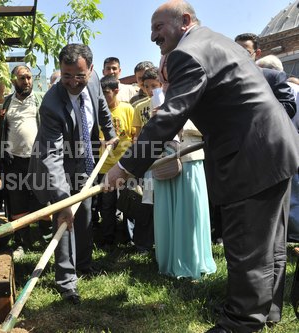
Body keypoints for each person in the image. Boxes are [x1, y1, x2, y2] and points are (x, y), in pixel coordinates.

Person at [105, 1, 299, 332]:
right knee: (270, 244)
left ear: (184, 21)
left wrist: (125, 167)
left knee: (247, 248)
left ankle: (239, 322)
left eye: (158, 28)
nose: (153, 37)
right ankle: (268, 312)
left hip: (251, 158)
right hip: (274, 150)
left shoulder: (187, 53)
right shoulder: (217, 41)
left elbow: (169, 115)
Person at [29, 43, 117, 305]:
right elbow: (52, 156)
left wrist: (109, 133)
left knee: (87, 212)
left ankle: (84, 264)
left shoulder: (94, 82)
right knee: (65, 219)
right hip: (59, 164)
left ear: (90, 70)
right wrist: (63, 200)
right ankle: (67, 281)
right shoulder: (52, 104)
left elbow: (101, 106)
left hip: (85, 158)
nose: (72, 82)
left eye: (79, 76)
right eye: (66, 76)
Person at [147, 63, 216, 280]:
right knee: (166, 212)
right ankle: (168, 261)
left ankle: (192, 261)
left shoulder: (199, 92)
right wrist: (159, 121)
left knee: (189, 212)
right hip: (164, 161)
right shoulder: (156, 97)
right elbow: (153, 131)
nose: (165, 83)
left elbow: (209, 127)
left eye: (169, 78)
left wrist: (179, 124)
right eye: (163, 78)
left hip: (190, 158)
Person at [0, 65, 51, 258]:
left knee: (43, 199)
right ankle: (21, 242)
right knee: (17, 203)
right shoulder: (5, 103)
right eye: (22, 78)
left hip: (37, 160)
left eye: (29, 77)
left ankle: (46, 238)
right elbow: (0, 130)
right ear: (13, 81)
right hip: (14, 161)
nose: (27, 81)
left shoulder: (40, 99)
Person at [96, 74, 135, 250]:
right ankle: (107, 238)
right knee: (107, 204)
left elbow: (134, 135)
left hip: (125, 165)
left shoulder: (127, 110)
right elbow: (95, 138)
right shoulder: (98, 113)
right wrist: (102, 142)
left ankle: (130, 238)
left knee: (129, 201)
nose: (103, 98)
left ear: (116, 91)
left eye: (106, 93)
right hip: (105, 166)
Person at [235, 32, 296, 119]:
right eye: (235, 52)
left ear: (258, 53)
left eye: (246, 52)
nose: (239, 56)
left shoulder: (273, 77)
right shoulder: (224, 78)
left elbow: (288, 107)